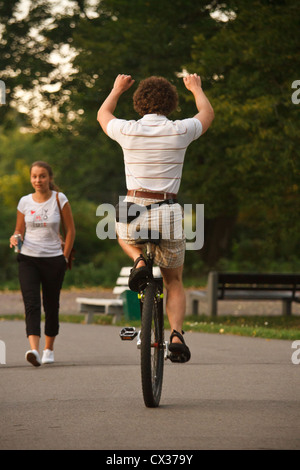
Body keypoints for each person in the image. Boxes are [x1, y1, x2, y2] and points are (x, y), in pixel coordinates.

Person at [97, 73, 214, 362]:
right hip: (167, 208)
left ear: (139, 103)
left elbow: (103, 114)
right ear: (172, 104)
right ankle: (176, 334)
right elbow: (207, 113)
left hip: (134, 205)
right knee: (174, 281)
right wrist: (196, 88)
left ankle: (137, 259)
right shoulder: (180, 130)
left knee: (120, 232)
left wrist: (116, 89)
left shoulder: (127, 130)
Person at [9, 161, 75, 367]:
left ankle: (49, 348)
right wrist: (15, 237)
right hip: (28, 258)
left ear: (50, 178)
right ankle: (34, 350)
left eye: (42, 176)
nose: (38, 180)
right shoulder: (24, 202)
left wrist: (65, 256)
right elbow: (19, 230)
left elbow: (71, 230)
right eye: (35, 176)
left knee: (51, 304)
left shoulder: (59, 199)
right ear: (31, 179)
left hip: (53, 259)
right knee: (31, 304)